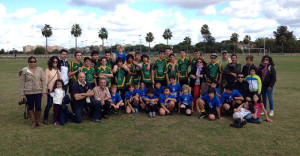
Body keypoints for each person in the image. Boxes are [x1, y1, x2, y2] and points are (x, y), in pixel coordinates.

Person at [19, 56, 47, 128]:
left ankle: (38, 121)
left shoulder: (40, 70)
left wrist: (44, 91)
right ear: (28, 62)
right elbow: (22, 83)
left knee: (38, 106)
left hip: (38, 91)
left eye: (34, 61)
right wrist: (21, 94)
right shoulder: (24, 71)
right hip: (28, 92)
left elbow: (44, 81)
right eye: (31, 61)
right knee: (30, 107)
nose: (33, 63)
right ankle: (33, 122)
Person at [43, 56, 62, 125]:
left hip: (58, 91)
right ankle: (45, 118)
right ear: (51, 62)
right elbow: (45, 81)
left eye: (56, 62)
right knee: (49, 104)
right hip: (50, 90)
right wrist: (46, 90)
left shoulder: (59, 70)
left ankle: (56, 118)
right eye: (53, 61)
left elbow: (61, 80)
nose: (55, 63)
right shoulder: (48, 70)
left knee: (57, 105)